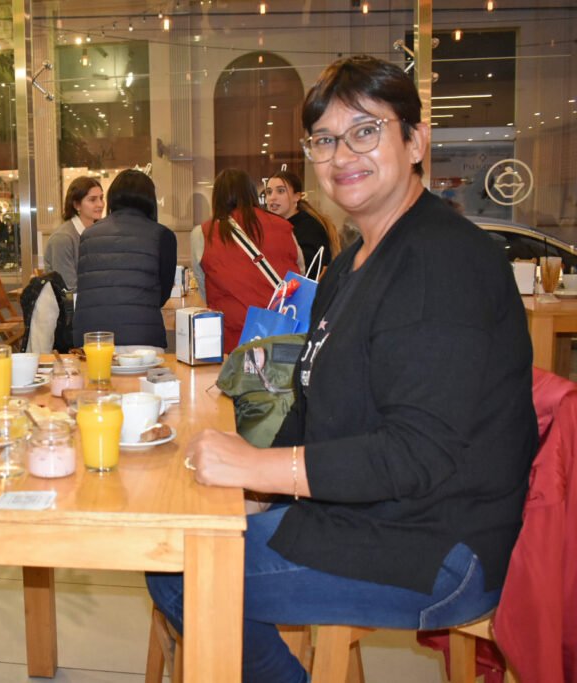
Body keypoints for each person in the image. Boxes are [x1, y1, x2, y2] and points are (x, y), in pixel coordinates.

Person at [146, 55, 537, 683]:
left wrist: (257, 469)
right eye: (324, 139)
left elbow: (416, 454)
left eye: (365, 131)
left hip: (437, 543)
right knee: (176, 547)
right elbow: (311, 406)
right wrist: (257, 485)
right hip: (366, 514)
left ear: (415, 141)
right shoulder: (352, 264)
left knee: (182, 572)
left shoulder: (441, 260)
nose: (342, 154)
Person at [190, 169, 300, 353]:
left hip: (234, 342)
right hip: (282, 337)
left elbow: (204, 288)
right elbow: (299, 275)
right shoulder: (284, 227)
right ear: (251, 193)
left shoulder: (203, 233)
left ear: (216, 197)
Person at [72, 169, 177, 349]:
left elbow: (86, 287)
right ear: (150, 199)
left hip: (93, 339)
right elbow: (162, 294)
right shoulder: (162, 235)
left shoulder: (88, 235)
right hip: (141, 337)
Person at [265, 168, 341, 268]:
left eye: (280, 191)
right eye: (269, 192)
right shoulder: (271, 226)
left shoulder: (310, 228)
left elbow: (306, 270)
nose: (272, 197)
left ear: (297, 196)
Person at [44, 177, 104, 290]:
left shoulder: (98, 233)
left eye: (101, 198)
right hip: (73, 300)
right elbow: (68, 288)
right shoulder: (63, 239)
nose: (100, 204)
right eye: (92, 200)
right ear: (77, 205)